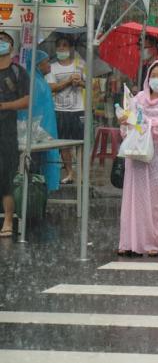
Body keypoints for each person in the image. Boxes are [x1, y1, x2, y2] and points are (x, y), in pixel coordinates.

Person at [117, 60, 158, 256]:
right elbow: (128, 127)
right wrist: (124, 119)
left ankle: (155, 242)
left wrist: (138, 120)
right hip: (137, 155)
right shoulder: (138, 98)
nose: (156, 80)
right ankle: (131, 241)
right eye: (153, 75)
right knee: (135, 199)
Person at [0, 32, 30, 237]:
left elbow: (27, 101)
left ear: (11, 46)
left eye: (3, 41)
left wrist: (4, 106)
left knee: (7, 176)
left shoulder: (18, 72)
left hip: (7, 132)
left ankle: (9, 219)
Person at [47, 35, 85, 184]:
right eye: (59, 46)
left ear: (70, 48)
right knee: (64, 144)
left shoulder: (80, 64)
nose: (61, 48)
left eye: (64, 45)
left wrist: (80, 83)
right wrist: (68, 81)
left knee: (80, 143)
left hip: (78, 110)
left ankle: (81, 173)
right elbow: (52, 87)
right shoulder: (52, 67)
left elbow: (90, 85)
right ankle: (70, 173)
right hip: (60, 110)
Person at [20, 50, 61, 192]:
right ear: (38, 65)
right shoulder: (34, 83)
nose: (49, 65)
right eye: (46, 62)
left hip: (45, 130)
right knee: (38, 166)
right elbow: (33, 111)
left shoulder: (39, 81)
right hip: (39, 133)